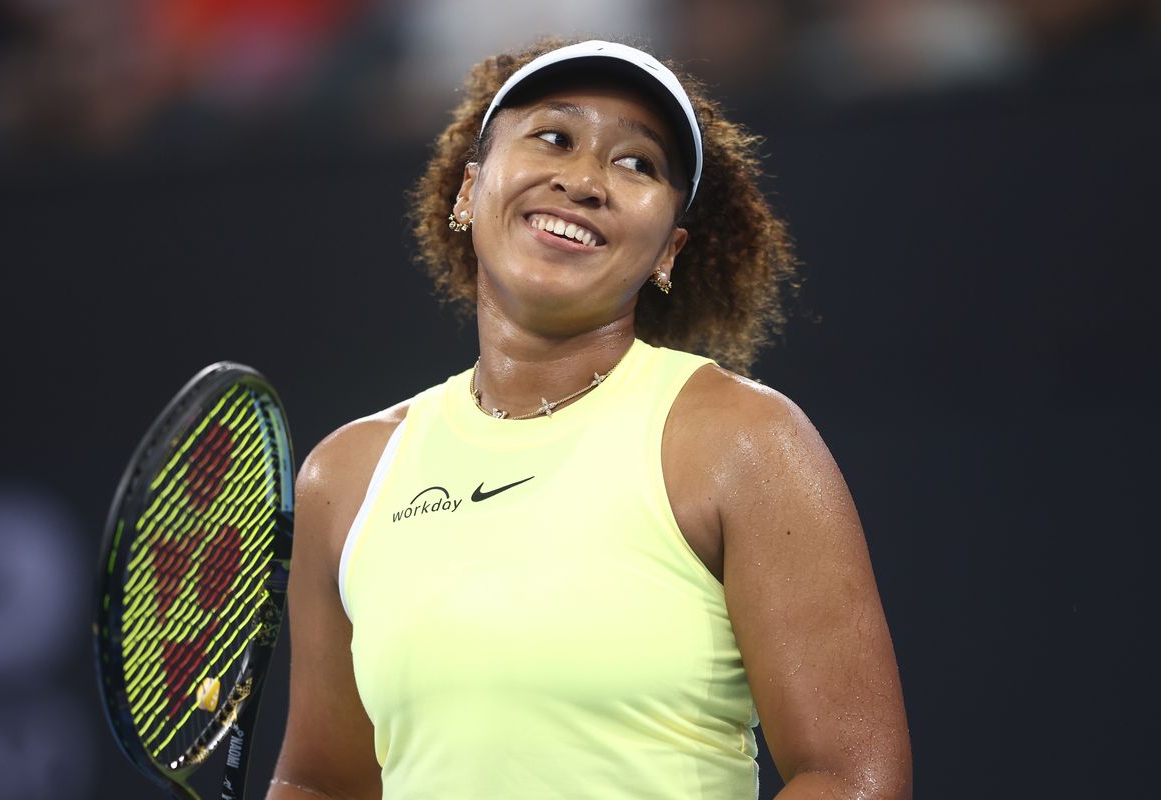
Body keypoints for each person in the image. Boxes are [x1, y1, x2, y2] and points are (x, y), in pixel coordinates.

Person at [267, 39, 911, 800]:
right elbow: (322, 782)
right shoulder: (346, 477)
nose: (583, 180)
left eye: (636, 164)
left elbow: (852, 778)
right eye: (553, 137)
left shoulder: (742, 440)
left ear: (669, 250)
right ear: (470, 191)